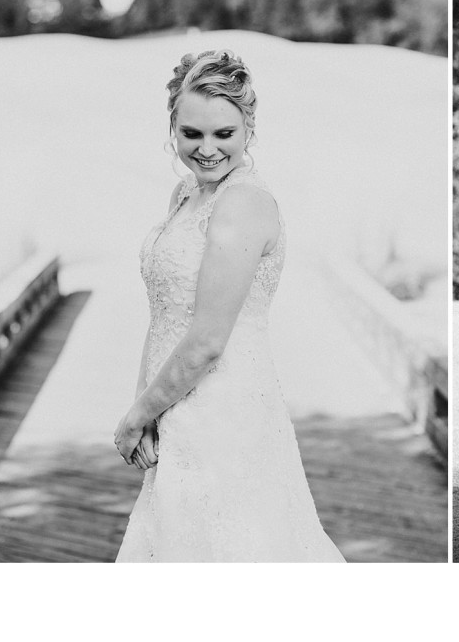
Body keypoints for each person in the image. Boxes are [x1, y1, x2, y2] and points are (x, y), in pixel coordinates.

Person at [113, 49, 345, 562]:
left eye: (224, 134)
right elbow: (164, 316)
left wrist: (135, 417)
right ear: (172, 126)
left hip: (222, 408)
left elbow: (207, 342)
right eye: (192, 133)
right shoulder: (184, 195)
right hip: (174, 403)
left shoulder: (242, 204)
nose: (207, 149)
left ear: (249, 130)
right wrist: (148, 406)